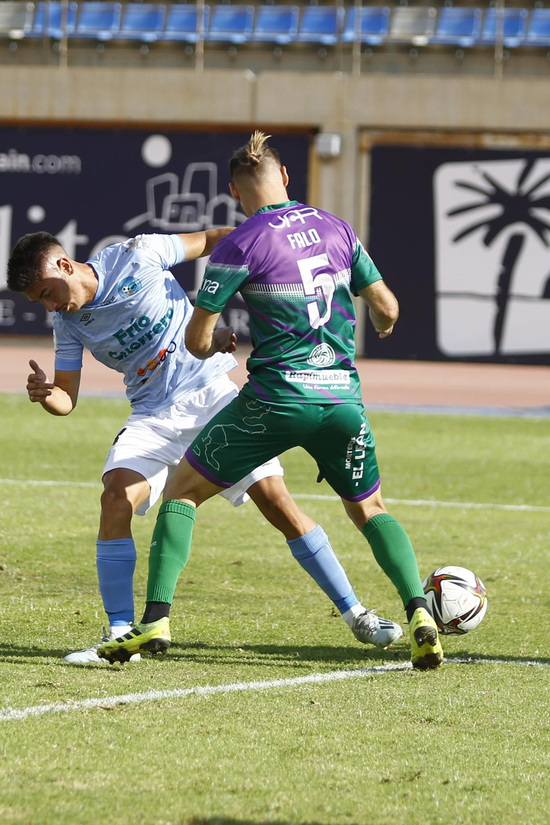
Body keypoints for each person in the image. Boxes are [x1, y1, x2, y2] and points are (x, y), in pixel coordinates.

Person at [98, 132, 445, 670]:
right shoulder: (337, 228)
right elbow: (387, 308)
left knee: (183, 493)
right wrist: (380, 323)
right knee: (370, 508)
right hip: (342, 400)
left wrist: (214, 342)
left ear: (236, 194)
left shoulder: (241, 243)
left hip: (276, 399)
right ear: (285, 176)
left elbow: (197, 341)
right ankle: (420, 612)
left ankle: (156, 621)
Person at [9, 226, 403, 664]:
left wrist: (270, 247)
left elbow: (217, 239)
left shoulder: (139, 254)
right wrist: (47, 395)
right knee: (115, 497)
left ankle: (356, 614)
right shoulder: (67, 324)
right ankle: (120, 635)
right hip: (152, 415)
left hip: (213, 396)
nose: (50, 306)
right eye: (40, 302)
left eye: (47, 293)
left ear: (65, 265)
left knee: (277, 502)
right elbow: (67, 398)